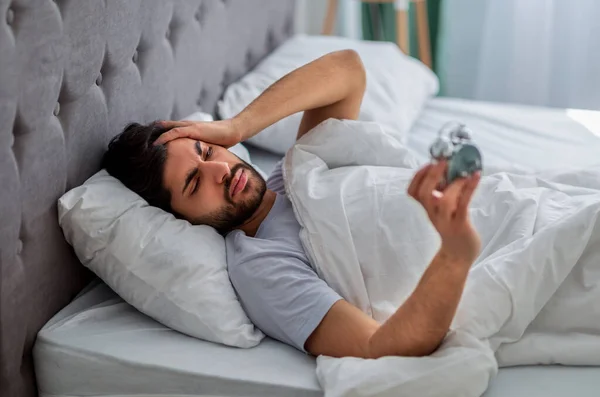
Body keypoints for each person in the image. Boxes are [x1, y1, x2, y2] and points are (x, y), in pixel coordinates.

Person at [103, 50, 481, 359]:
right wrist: (457, 252)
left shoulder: (292, 173)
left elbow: (348, 69)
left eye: (207, 150)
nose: (219, 168)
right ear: (179, 218)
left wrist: (237, 127)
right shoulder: (259, 263)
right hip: (473, 254)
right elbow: (381, 346)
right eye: (194, 182)